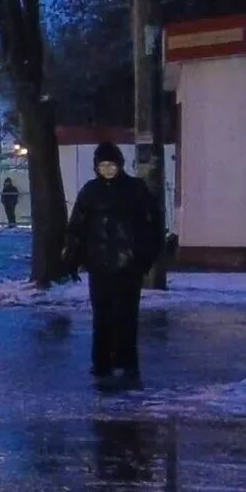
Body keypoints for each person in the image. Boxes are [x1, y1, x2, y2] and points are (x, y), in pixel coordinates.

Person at [63, 141, 165, 389]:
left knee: (127, 316)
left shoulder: (135, 189)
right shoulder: (90, 191)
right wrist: (72, 258)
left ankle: (127, 362)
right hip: (99, 264)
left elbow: (153, 225)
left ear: (119, 165)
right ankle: (102, 363)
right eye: (103, 165)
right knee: (102, 316)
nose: (107, 169)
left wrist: (144, 257)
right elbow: (77, 227)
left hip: (129, 265)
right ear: (96, 167)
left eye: (111, 165)